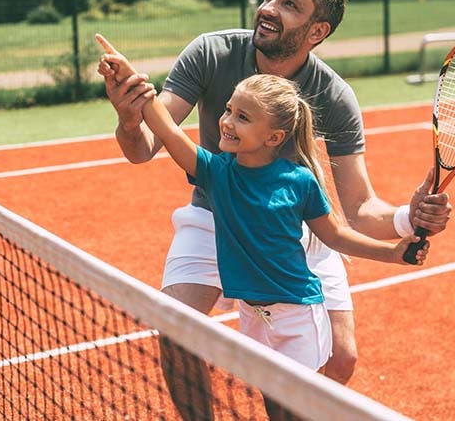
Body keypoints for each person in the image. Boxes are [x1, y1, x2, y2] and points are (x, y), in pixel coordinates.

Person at [97, 0, 451, 420]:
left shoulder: (334, 95)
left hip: (297, 224)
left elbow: (359, 208)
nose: (269, 8)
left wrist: (409, 217)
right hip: (215, 212)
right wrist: (128, 116)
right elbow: (144, 146)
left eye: (288, 4)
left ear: (317, 31)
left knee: (340, 360)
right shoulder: (211, 53)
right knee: (176, 327)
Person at [139, 73, 427, 420]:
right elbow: (169, 133)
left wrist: (393, 254)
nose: (227, 121)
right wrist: (140, 91)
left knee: (297, 412)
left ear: (274, 137)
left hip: (298, 319)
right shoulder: (216, 172)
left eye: (243, 117)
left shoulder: (299, 182)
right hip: (253, 317)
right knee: (273, 405)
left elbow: (335, 235)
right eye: (229, 110)